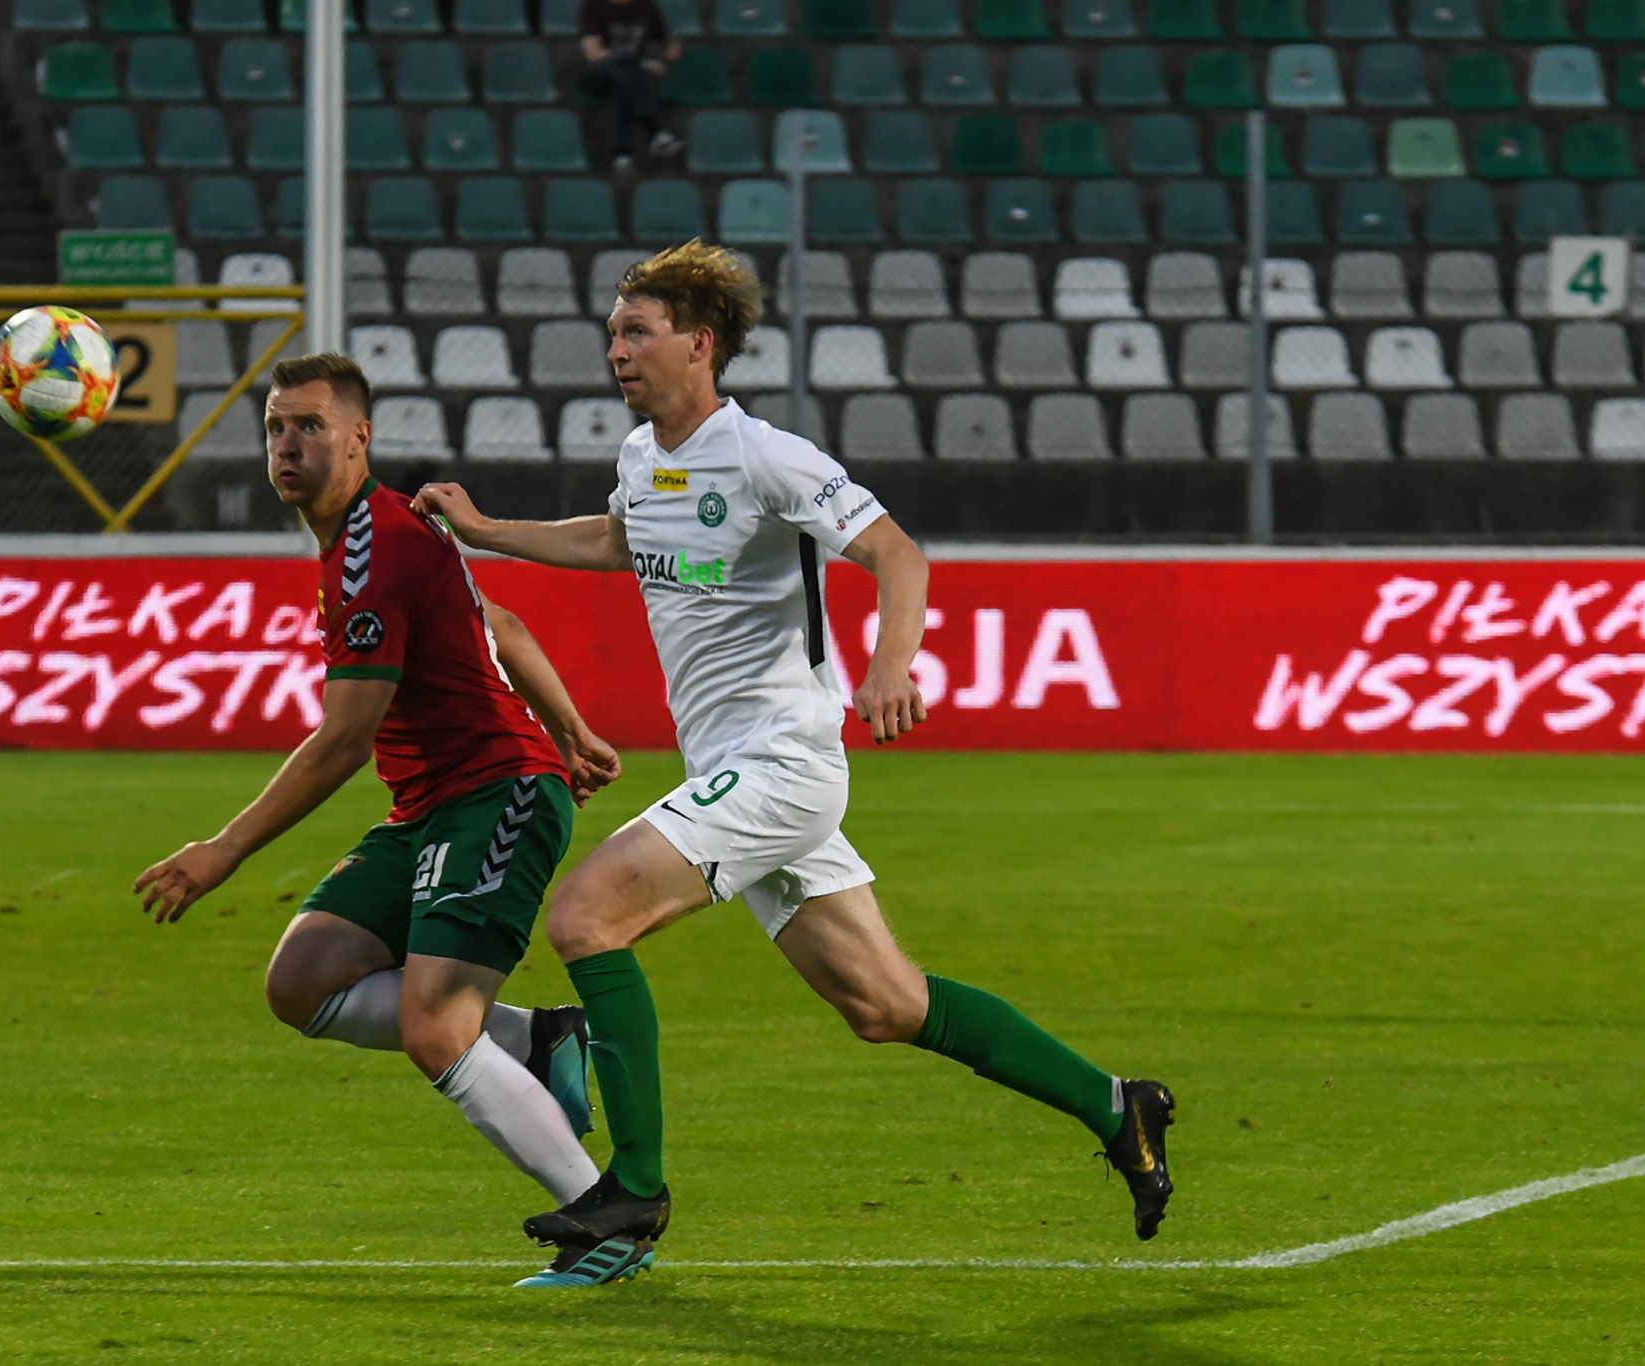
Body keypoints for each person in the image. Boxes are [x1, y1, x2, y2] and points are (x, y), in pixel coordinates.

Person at [417, 243, 1178, 1286]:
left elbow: (896, 553)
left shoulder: (767, 456)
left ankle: (633, 1187)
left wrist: (888, 667)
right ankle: (1116, 1105)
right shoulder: (643, 457)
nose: (616, 351)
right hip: (734, 771)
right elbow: (619, 538)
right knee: (886, 1005)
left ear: (700, 342)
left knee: (585, 917)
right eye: (612, 334)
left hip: (781, 762)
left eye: (636, 332)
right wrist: (486, 530)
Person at [135, 353, 638, 1289]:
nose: (288, 444)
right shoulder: (374, 531)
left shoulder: (376, 549)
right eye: (277, 427)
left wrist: (226, 849)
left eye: (311, 426)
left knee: (433, 1027)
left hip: (497, 794)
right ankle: (536, 1042)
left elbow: (343, 741)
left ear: (359, 438)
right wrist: (572, 727)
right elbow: (501, 624)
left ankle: (604, 1220)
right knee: (303, 981)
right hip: (433, 805)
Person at [577, 0, 684, 169]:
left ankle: (622, 153)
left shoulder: (646, 6)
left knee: (622, 80)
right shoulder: (594, 5)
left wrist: (672, 46)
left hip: (626, 78)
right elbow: (594, 54)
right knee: (627, 59)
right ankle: (651, 129)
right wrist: (640, 64)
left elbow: (666, 35)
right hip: (599, 76)